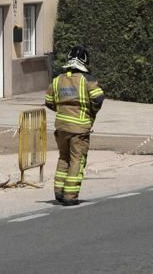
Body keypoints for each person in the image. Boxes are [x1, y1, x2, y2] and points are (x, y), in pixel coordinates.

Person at [44, 46, 104, 206]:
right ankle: (70, 196)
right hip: (80, 130)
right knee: (77, 160)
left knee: (63, 157)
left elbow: (49, 102)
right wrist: (91, 113)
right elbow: (98, 99)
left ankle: (59, 192)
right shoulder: (88, 80)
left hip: (61, 128)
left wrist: (63, 110)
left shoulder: (57, 80)